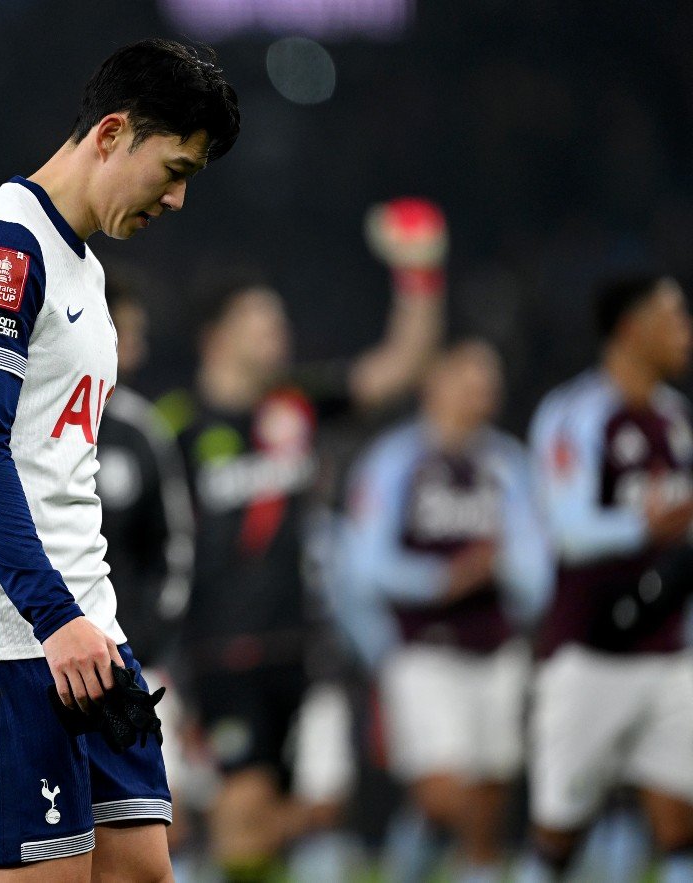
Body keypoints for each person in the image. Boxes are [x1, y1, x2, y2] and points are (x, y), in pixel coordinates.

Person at [0, 38, 239, 880]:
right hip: (6, 630)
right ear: (111, 133)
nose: (178, 197)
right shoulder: (2, 247)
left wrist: (85, 619)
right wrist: (56, 619)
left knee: (142, 873)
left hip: (86, 624)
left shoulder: (83, 270)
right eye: (172, 167)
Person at [157, 197, 447, 882]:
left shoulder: (296, 404)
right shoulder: (174, 427)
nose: (279, 333)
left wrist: (420, 276)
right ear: (217, 336)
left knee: (318, 811)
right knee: (241, 813)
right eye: (263, 323)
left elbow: (401, 365)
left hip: (307, 650)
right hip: (221, 653)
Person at [344, 340, 552, 883]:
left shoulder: (507, 463)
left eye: (489, 382)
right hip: (425, 652)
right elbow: (365, 564)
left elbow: (536, 570)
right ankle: (414, 842)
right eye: (470, 379)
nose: (482, 393)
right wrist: (445, 580)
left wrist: (502, 569)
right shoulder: (394, 461)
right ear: (435, 383)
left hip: (497, 650)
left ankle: (453, 866)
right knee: (443, 796)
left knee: (489, 800)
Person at [521, 274, 693, 882]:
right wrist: (649, 527)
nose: (685, 331)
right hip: (589, 651)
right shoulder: (576, 414)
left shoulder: (678, 421)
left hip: (670, 648)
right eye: (673, 317)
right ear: (631, 329)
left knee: (681, 824)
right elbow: (568, 530)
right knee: (557, 836)